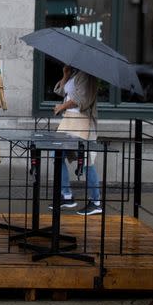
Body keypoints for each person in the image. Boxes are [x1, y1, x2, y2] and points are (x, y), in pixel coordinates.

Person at [51, 65, 102, 216]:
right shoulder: (74, 73)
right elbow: (60, 91)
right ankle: (66, 196)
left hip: (82, 121)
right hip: (68, 120)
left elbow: (82, 100)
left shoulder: (87, 75)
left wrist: (62, 106)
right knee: (57, 155)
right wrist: (65, 74)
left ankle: (96, 202)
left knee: (86, 161)